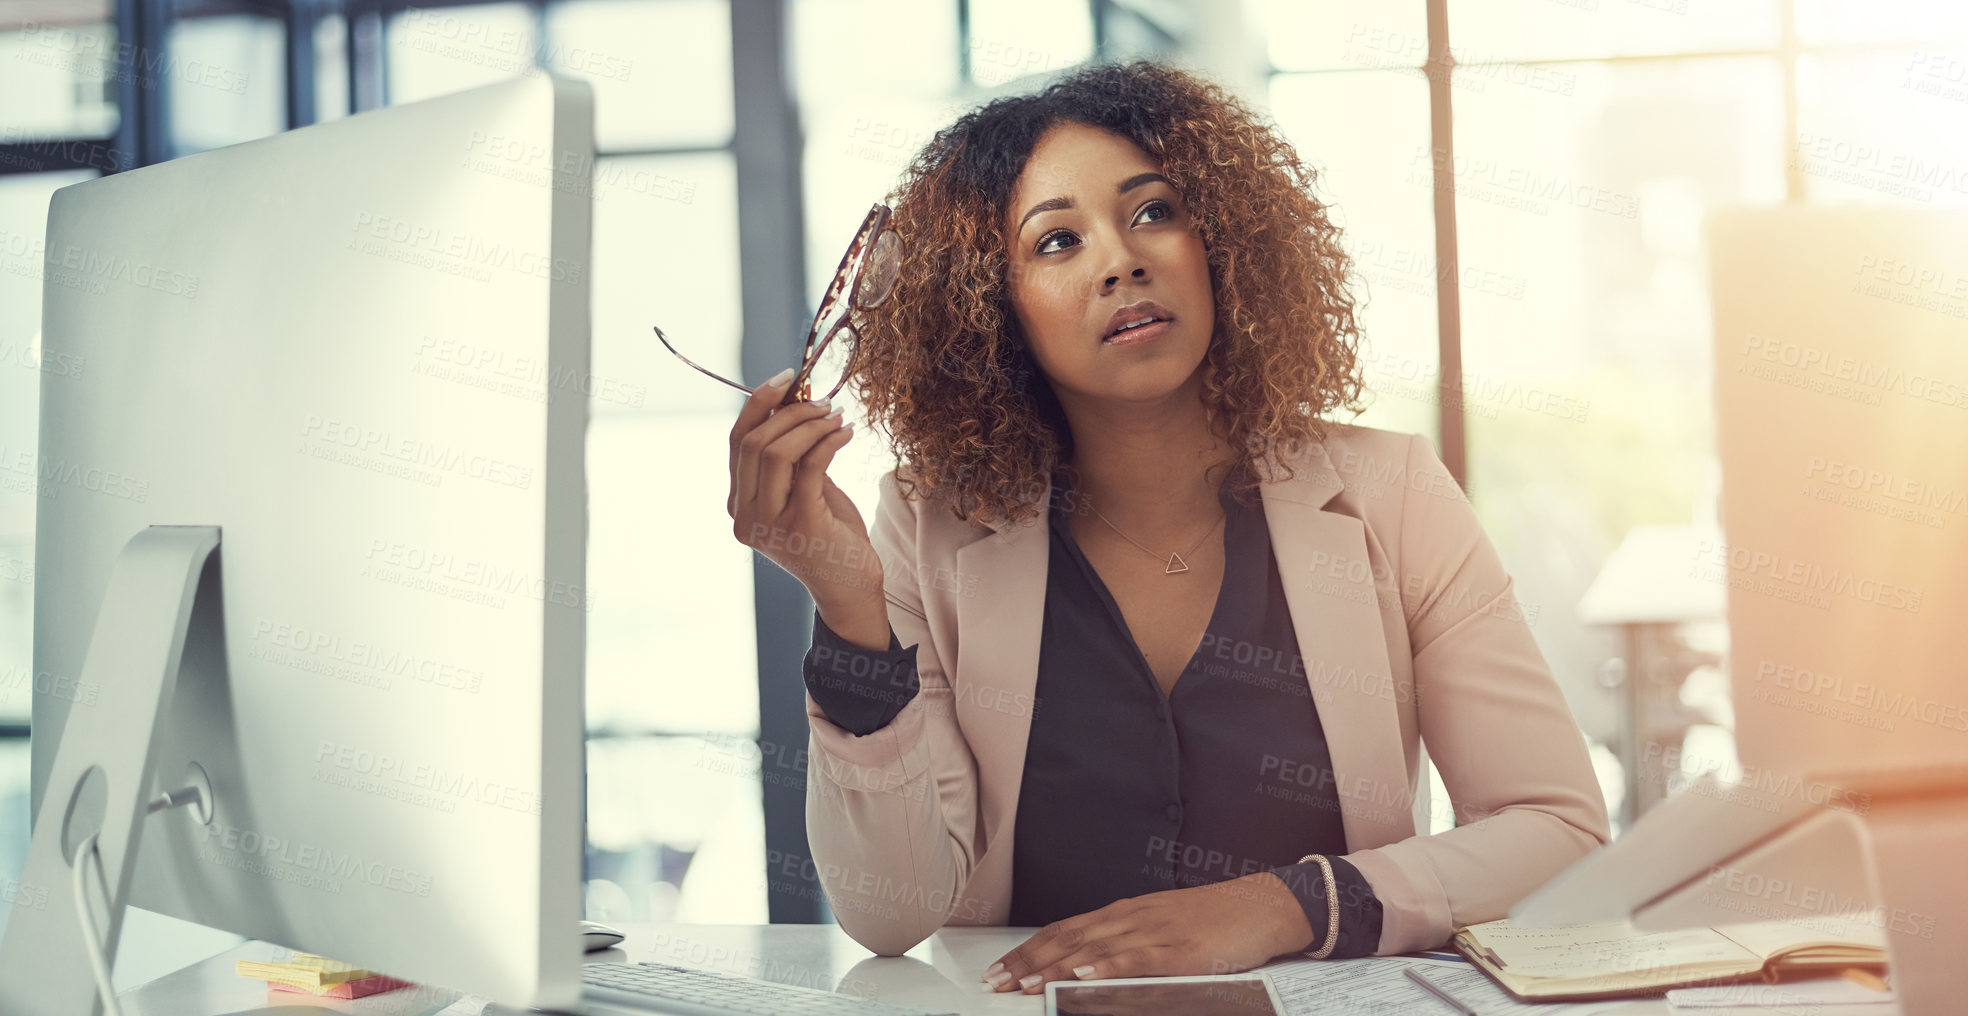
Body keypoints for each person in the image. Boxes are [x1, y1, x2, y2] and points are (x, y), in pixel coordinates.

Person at [722, 60, 1609, 995]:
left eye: (1153, 212)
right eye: (1057, 241)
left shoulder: (1392, 492)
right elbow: (892, 913)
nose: (1121, 258)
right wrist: (847, 604)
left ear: (1222, 242)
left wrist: (1282, 905)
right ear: (991, 307)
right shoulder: (924, 525)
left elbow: (1556, 831)